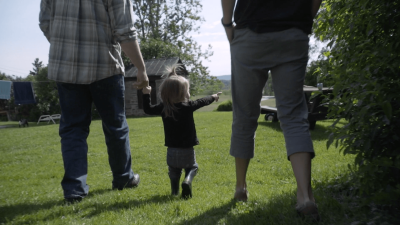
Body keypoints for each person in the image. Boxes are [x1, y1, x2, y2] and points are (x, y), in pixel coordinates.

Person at [39, 0, 149, 203]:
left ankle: (74, 190)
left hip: (65, 68)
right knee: (116, 127)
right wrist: (141, 68)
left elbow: (45, 23)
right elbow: (124, 30)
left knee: (73, 130)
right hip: (105, 67)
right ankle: (124, 179)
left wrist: (65, 46)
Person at [221, 0, 322, 220]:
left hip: (250, 33)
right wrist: (305, 19)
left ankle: (240, 188)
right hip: (293, 32)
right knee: (294, 116)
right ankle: (305, 197)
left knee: (244, 115)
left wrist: (227, 23)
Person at [142, 66, 221, 199]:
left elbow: (147, 109)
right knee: (192, 167)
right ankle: (188, 180)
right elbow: (203, 101)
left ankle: (174, 192)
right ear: (184, 93)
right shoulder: (188, 107)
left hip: (171, 150)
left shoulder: (163, 108)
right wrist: (213, 96)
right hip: (187, 149)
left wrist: (146, 93)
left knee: (174, 171)